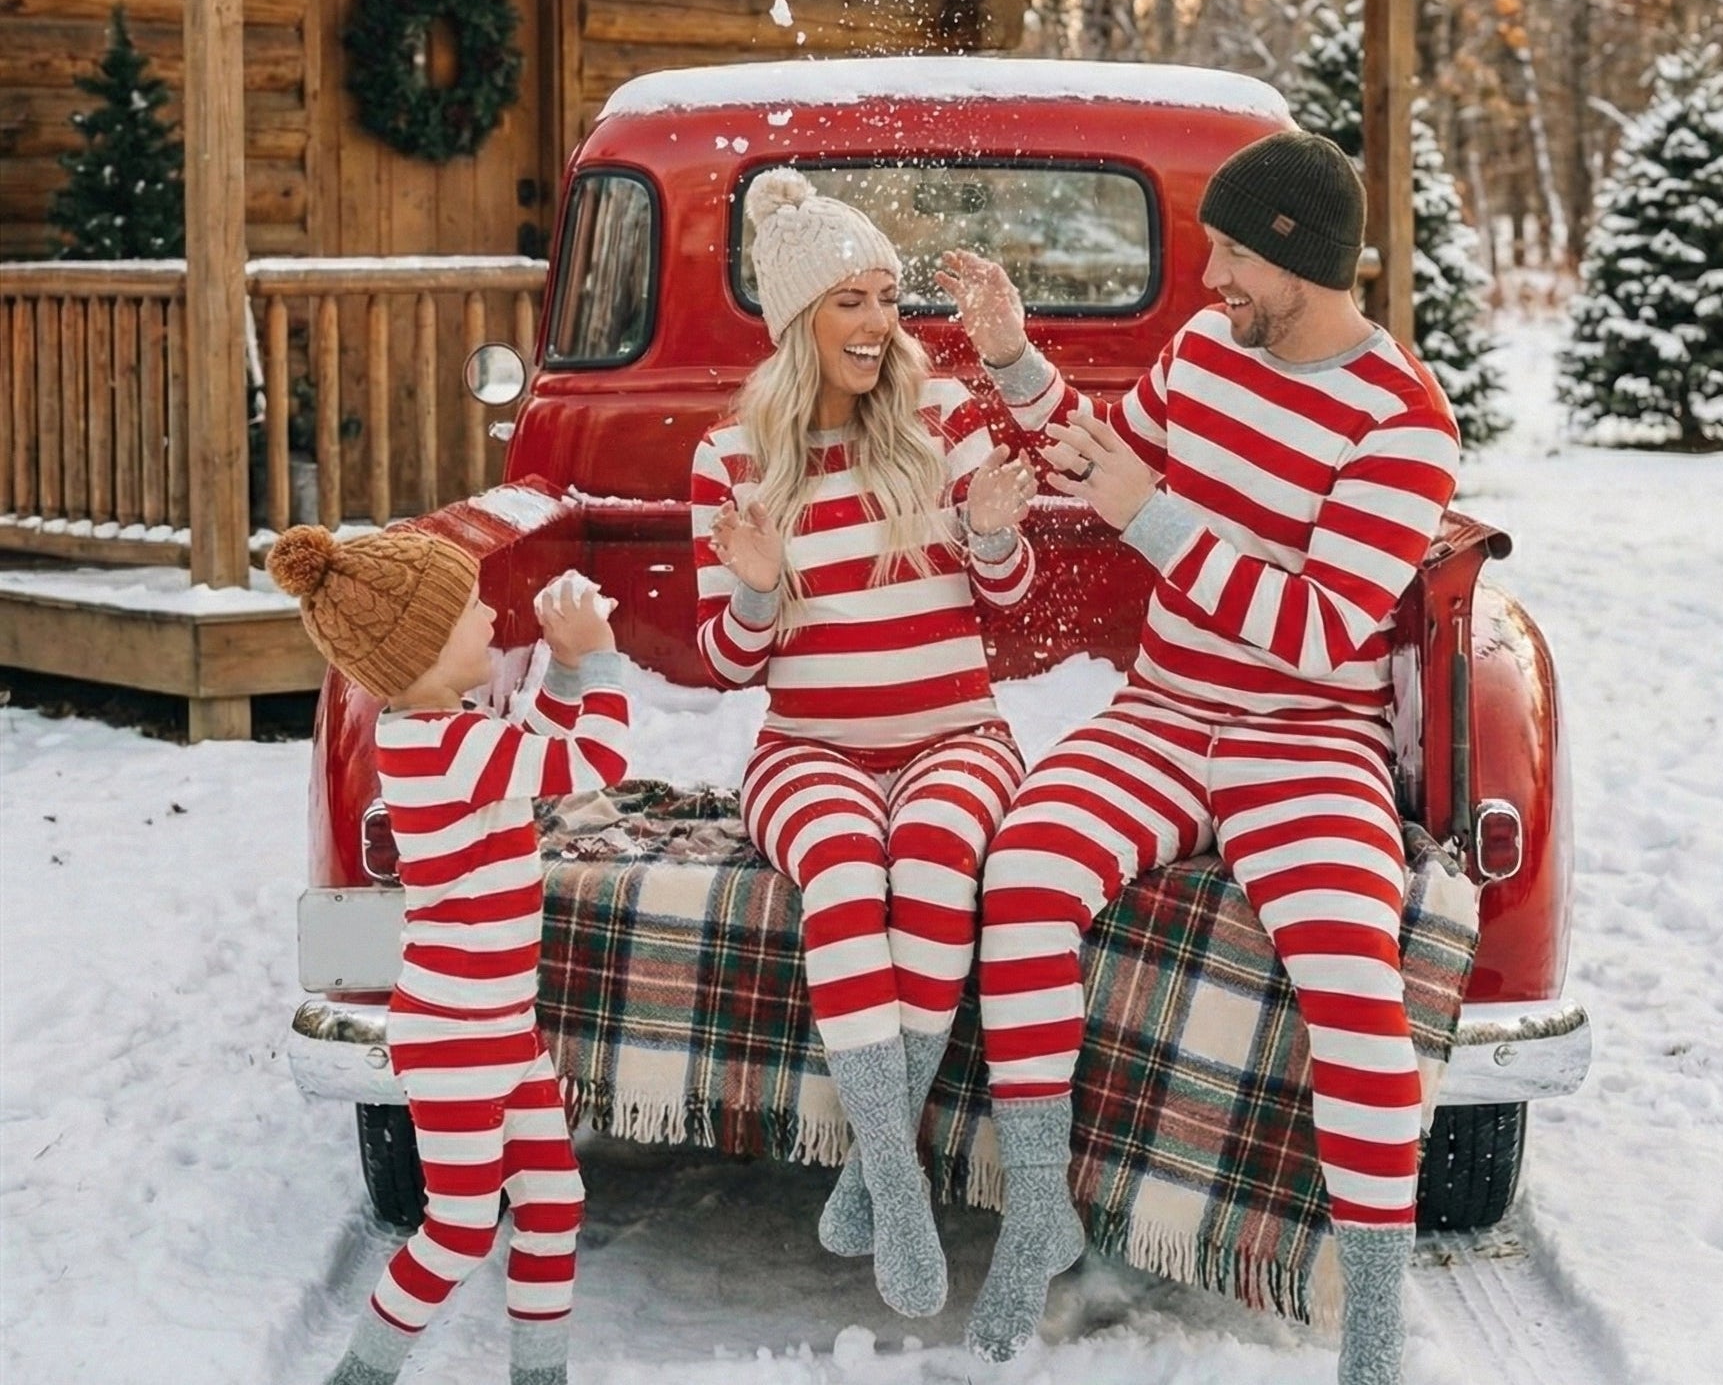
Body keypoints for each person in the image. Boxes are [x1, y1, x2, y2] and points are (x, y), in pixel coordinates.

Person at [938, 130, 1460, 1382]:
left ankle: (1373, 1329)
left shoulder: (1404, 422)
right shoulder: (1203, 351)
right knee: (1021, 880)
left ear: (1297, 256)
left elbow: (1323, 628)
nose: (1211, 274)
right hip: (1162, 711)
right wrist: (1014, 359)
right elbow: (1100, 452)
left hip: (1303, 735)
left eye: (1232, 252)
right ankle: (1037, 1220)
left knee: (1350, 971)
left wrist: (1152, 516)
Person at [692, 167, 1037, 1320]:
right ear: (799, 321)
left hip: (958, 734)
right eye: (852, 300)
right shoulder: (728, 462)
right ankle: (901, 1187)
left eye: (888, 297)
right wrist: (750, 593)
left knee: (935, 857)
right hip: (809, 750)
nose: (881, 324)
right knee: (843, 874)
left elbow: (1008, 591)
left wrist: (991, 536)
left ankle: (869, 1171)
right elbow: (731, 663)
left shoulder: (939, 420)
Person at [266, 524, 636, 1385]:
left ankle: (538, 1376)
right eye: (470, 607)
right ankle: (360, 1373)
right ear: (425, 648)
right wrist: (604, 659)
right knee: (462, 1226)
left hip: (499, 1026)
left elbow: (532, 745)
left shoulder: (443, 731)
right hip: (457, 1032)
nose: (489, 613)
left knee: (553, 1203)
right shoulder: (450, 744)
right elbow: (595, 761)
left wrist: (566, 667)